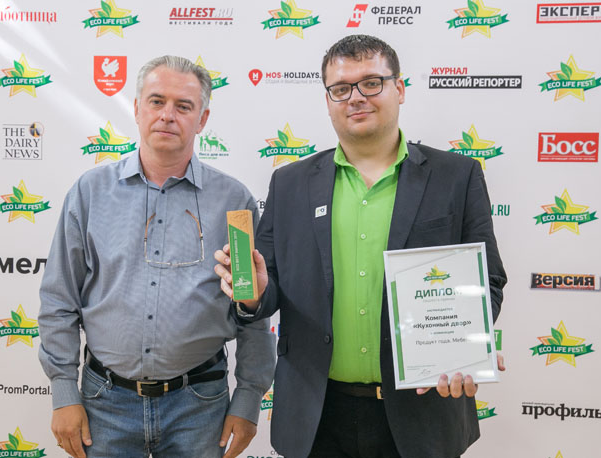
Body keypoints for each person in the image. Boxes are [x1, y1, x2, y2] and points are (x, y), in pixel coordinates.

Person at [215, 35, 507, 458]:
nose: (356, 97)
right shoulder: (290, 183)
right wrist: (256, 293)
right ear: (328, 100)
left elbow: (487, 280)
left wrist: (464, 346)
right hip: (316, 415)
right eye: (341, 88)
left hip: (422, 411)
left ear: (399, 88)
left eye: (371, 82)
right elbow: (269, 289)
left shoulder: (456, 176)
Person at [38, 55, 275, 458]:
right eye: (156, 101)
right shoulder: (90, 193)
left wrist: (249, 398)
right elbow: (59, 300)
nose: (168, 115)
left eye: (183, 106)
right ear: (136, 108)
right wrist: (63, 391)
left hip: (199, 406)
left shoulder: (234, 202)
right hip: (104, 403)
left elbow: (252, 308)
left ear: (202, 119)